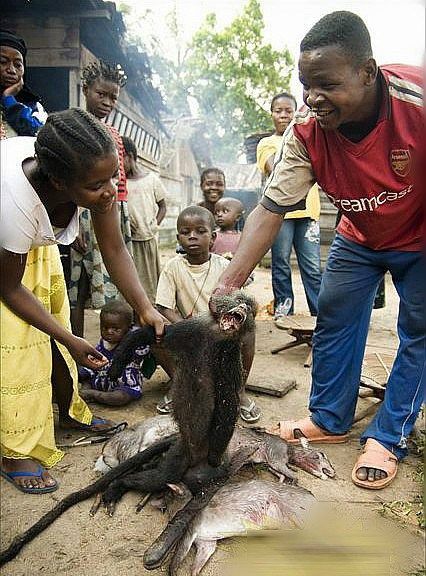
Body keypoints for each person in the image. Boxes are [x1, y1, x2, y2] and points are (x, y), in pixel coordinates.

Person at [212, 11, 424, 490]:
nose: (312, 97)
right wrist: (228, 284)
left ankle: (388, 436)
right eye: (306, 84)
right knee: (334, 315)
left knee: (420, 328)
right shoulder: (307, 132)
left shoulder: (417, 105)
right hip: (359, 234)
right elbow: (271, 208)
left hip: (421, 236)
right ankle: (329, 419)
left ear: (367, 73)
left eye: (326, 84)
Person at [0, 108, 166, 493]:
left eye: (113, 176)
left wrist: (145, 308)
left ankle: (68, 409)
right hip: (5, 255)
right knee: (18, 351)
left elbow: (114, 246)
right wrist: (70, 339)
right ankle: (15, 451)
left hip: (30, 245)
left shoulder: (85, 174)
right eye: (97, 184)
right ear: (59, 182)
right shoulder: (14, 200)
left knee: (56, 325)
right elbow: (9, 288)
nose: (109, 190)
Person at [155, 205, 261, 422]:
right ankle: (179, 384)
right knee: (152, 330)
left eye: (200, 231)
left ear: (212, 237)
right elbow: (163, 307)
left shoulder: (224, 265)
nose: (192, 237)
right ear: (178, 237)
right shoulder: (173, 267)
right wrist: (189, 327)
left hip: (220, 328)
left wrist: (219, 325)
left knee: (249, 328)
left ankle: (238, 391)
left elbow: (236, 304)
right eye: (185, 232)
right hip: (187, 329)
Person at [68, 60, 132, 338]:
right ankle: (75, 345)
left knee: (115, 282)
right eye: (101, 94)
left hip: (114, 211)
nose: (107, 102)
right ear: (85, 90)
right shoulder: (74, 128)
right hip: (83, 213)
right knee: (78, 286)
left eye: (113, 97)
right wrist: (73, 225)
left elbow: (118, 184)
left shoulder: (115, 135)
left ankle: (111, 348)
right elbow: (69, 180)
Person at [257, 92, 322, 321]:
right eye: (278, 110)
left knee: (312, 268)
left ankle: (319, 313)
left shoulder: (308, 138)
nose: (283, 115)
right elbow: (274, 166)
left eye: (288, 110)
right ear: (272, 114)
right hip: (280, 214)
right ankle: (285, 311)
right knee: (281, 263)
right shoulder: (267, 143)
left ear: (296, 113)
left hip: (308, 213)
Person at [79, 301, 151, 406]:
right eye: (105, 328)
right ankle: (91, 393)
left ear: (129, 328)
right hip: (101, 381)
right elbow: (92, 361)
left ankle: (95, 395)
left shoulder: (134, 343)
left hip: (124, 384)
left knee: (121, 397)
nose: (109, 332)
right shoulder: (102, 344)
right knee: (85, 378)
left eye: (115, 329)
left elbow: (145, 349)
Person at [122, 135, 167, 303]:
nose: (118, 165)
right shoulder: (120, 183)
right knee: (132, 278)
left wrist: (155, 224)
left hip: (148, 238)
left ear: (131, 156)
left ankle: (149, 313)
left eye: (121, 159)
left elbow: (163, 206)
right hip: (128, 241)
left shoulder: (151, 179)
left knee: (149, 280)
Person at [0, 29, 47, 138]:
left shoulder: (33, 106)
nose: (12, 70)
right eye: (3, 62)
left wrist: (9, 100)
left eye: (17, 65)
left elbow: (40, 133)